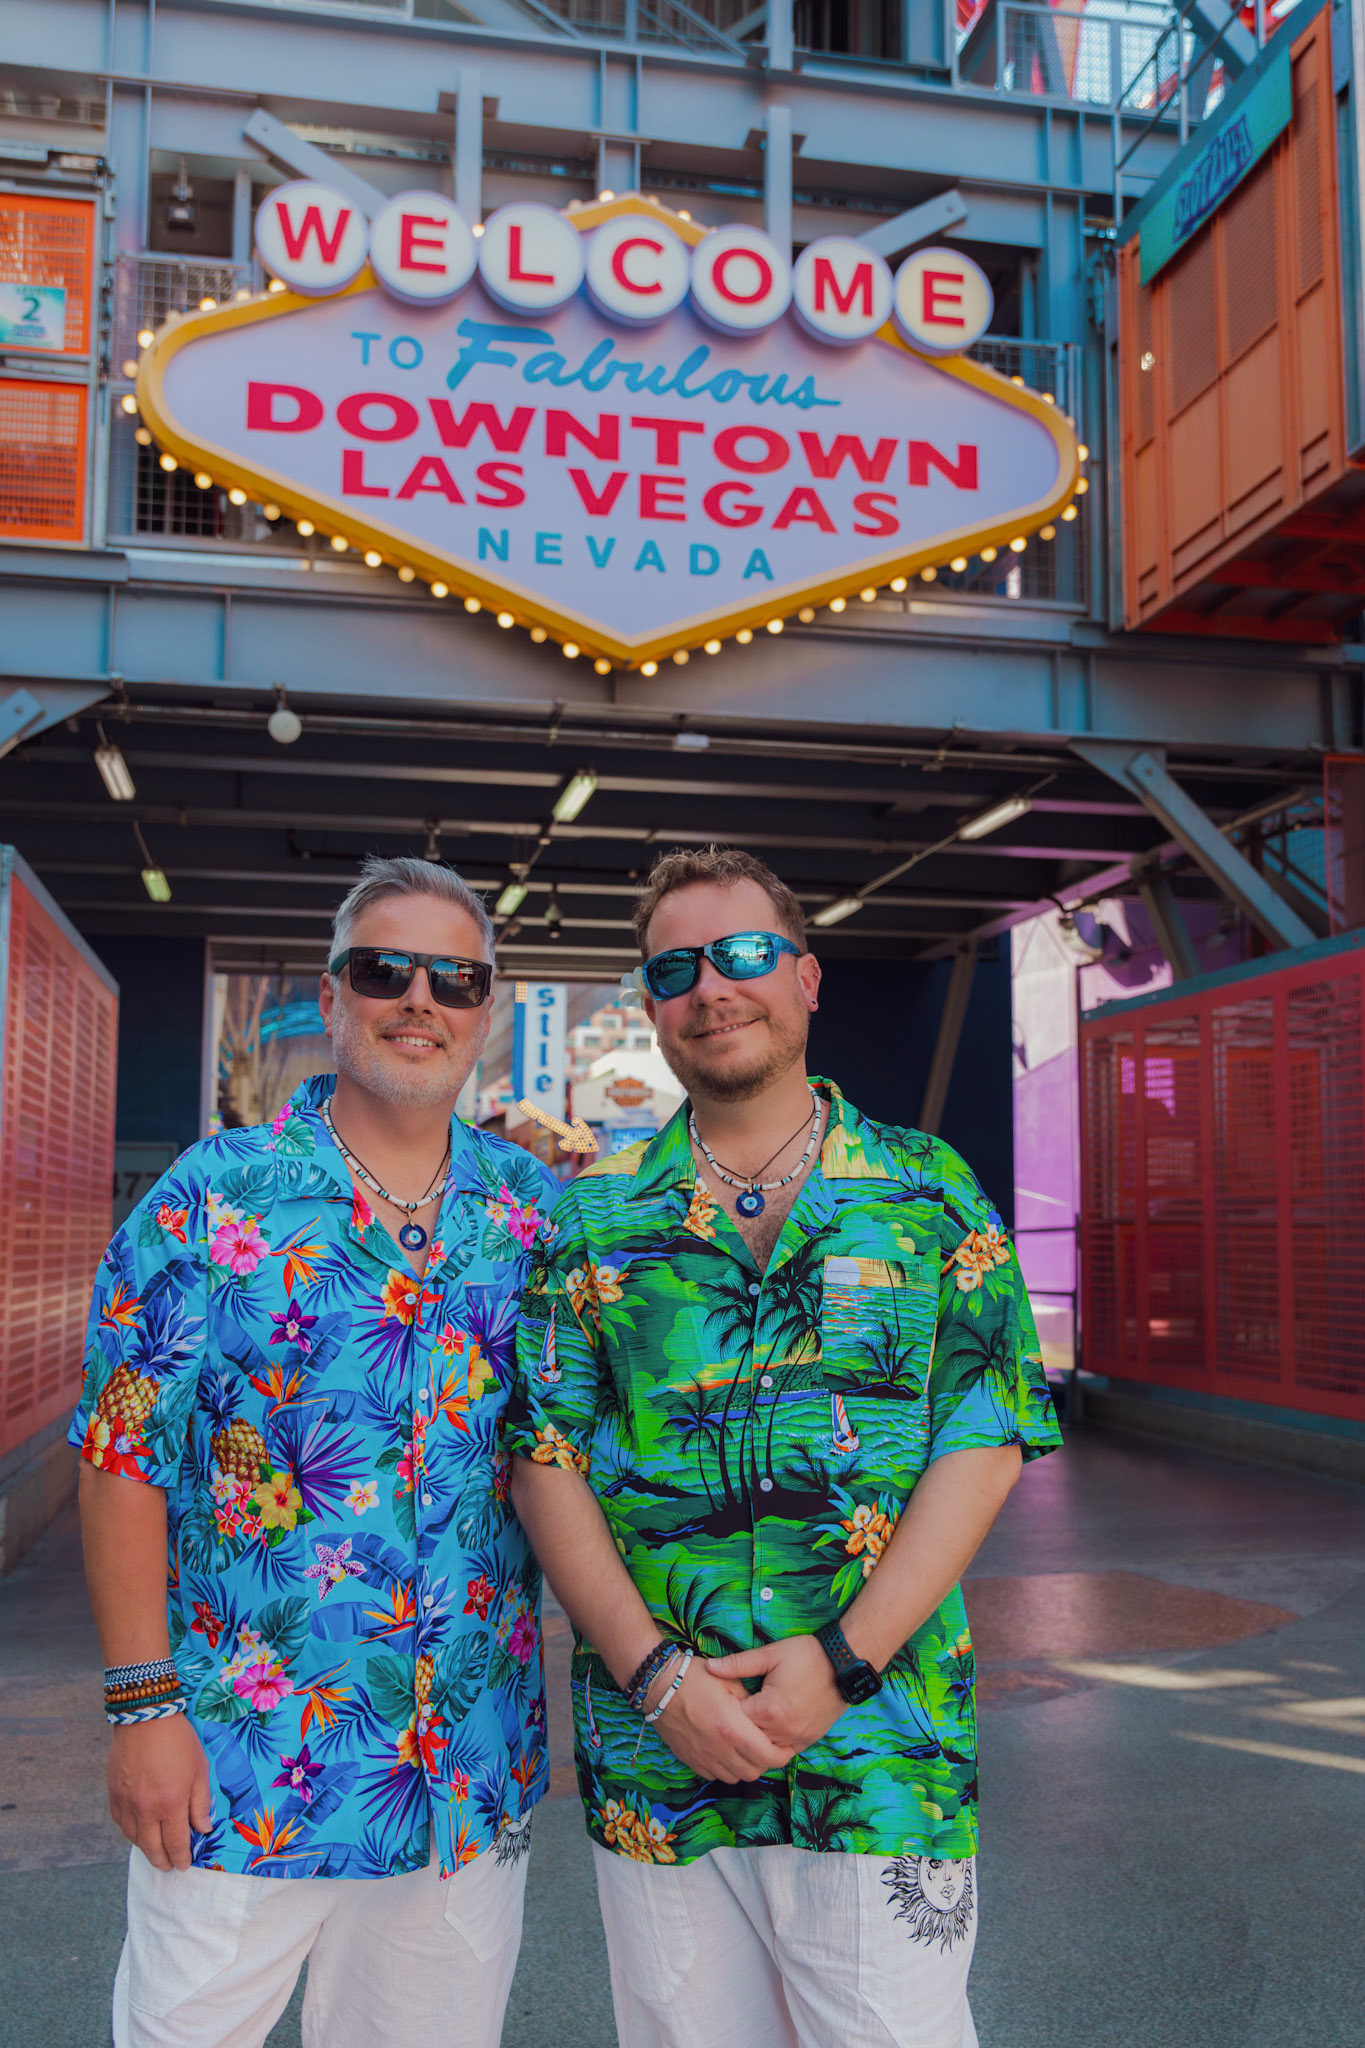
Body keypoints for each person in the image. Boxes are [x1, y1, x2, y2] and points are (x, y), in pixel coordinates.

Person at [506, 845, 1062, 2048]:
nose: (712, 986)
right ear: (651, 1004)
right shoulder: (593, 1219)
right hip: (660, 1757)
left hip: (883, 1753)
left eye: (745, 953)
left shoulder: (928, 1192)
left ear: (806, 977)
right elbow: (544, 1460)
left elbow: (986, 1436)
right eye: (676, 967)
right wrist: (659, 1678)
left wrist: (846, 1659)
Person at [71, 855, 562, 2048]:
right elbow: (121, 1454)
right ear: (334, 995)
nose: (420, 998)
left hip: (464, 1775)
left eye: (455, 978)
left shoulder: (535, 1216)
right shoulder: (210, 1197)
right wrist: (140, 1706)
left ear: (485, 1010)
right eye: (384, 969)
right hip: (242, 1767)